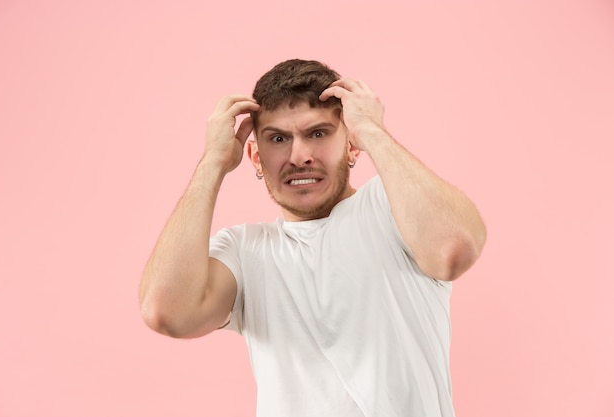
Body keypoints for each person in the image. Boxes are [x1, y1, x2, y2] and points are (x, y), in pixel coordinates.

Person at [139, 59, 487, 417]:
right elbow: (166, 312)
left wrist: (372, 131)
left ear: (352, 146)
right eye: (278, 139)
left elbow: (454, 248)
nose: (299, 156)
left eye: (318, 133)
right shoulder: (245, 252)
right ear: (256, 157)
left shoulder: (391, 206)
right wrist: (212, 162)